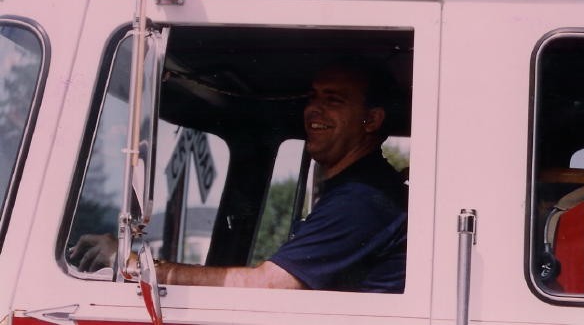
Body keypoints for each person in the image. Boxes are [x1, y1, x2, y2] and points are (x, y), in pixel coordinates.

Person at [70, 58, 409, 293]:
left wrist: (132, 264)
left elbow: (269, 285)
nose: (313, 109)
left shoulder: (363, 200)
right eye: (313, 97)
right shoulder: (354, 191)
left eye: (333, 99)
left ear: (372, 120)